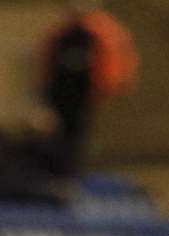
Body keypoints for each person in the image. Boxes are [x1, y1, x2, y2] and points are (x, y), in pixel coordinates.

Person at [36, 3, 139, 175]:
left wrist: (109, 87)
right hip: (62, 93)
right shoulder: (62, 34)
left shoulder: (97, 33)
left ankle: (70, 168)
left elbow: (111, 64)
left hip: (82, 93)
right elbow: (49, 64)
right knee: (64, 133)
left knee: (76, 132)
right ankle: (63, 168)